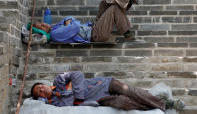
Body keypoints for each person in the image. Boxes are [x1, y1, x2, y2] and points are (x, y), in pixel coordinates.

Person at [31, 71, 185, 111]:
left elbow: (77, 75)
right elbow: (40, 103)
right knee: (124, 103)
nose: (42, 91)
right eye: (40, 93)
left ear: (43, 84)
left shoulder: (59, 80)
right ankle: (157, 102)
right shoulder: (56, 104)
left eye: (40, 88)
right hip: (100, 100)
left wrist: (77, 97)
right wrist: (41, 100)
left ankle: (166, 104)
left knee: (130, 91)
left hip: (103, 84)